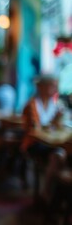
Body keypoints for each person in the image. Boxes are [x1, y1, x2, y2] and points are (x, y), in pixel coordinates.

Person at [21, 74, 67, 202]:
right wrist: (53, 122)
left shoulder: (53, 104)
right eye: (52, 85)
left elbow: (51, 127)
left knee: (62, 155)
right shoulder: (32, 105)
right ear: (41, 87)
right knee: (57, 155)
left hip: (48, 142)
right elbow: (35, 130)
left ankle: (56, 195)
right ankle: (47, 194)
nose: (56, 88)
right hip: (33, 143)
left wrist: (56, 120)